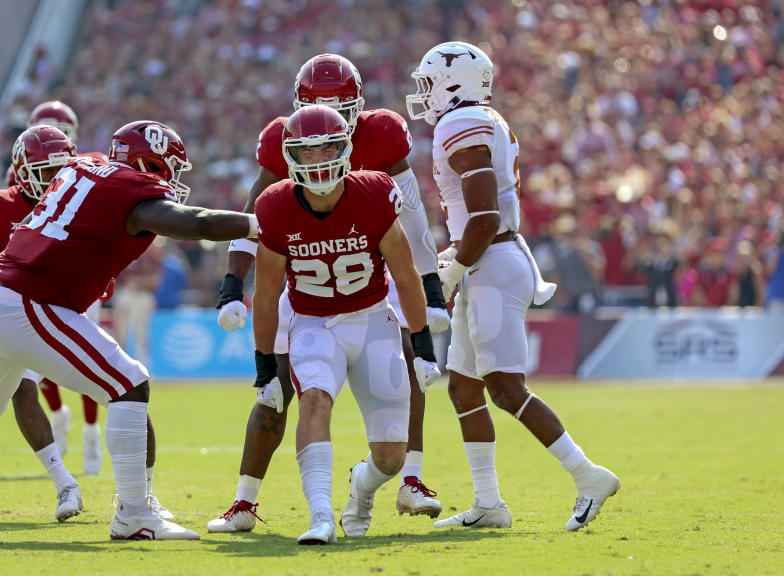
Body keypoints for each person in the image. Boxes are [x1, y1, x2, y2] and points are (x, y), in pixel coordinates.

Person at [0, 120, 260, 541]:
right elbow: (199, 224)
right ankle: (135, 514)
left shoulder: (84, 166)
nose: (172, 179)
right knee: (129, 384)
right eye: (167, 168)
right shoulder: (133, 193)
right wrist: (257, 224)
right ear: (146, 163)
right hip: (25, 302)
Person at [209, 53, 449, 533]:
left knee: (408, 361)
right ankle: (247, 500)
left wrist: (431, 290)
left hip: (370, 287)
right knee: (275, 392)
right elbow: (251, 220)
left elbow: (414, 224)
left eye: (340, 111)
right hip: (309, 296)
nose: (321, 146)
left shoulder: (379, 154)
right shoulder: (281, 169)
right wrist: (233, 284)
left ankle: (410, 476)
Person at [405, 41, 619, 532]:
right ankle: (488, 504)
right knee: (462, 386)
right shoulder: (478, 119)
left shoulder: (461, 123)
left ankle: (588, 475)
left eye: (428, 81)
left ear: (452, 82)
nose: (423, 93)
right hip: (486, 258)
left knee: (504, 387)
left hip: (492, 261)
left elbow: (485, 216)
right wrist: (460, 259)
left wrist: (455, 267)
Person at [251, 105, 441, 544]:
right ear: (291, 157)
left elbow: (407, 274)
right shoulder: (275, 205)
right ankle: (319, 515)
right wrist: (264, 364)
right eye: (307, 153)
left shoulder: (375, 191)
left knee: (392, 457)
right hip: (313, 323)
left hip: (373, 320)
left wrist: (424, 343)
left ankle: (362, 485)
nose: (318, 162)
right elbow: (264, 294)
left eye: (327, 150)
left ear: (346, 149)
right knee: (314, 401)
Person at [0, 124, 84, 523]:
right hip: (9, 315)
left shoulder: (77, 201)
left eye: (61, 170)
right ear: (24, 169)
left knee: (123, 386)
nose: (55, 180)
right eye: (46, 171)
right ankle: (67, 483)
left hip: (57, 311)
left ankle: (127, 491)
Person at [23, 101, 112, 479]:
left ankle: (91, 432)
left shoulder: (88, 167)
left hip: (79, 278)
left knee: (88, 359)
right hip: (39, 278)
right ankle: (59, 415)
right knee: (39, 359)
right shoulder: (21, 179)